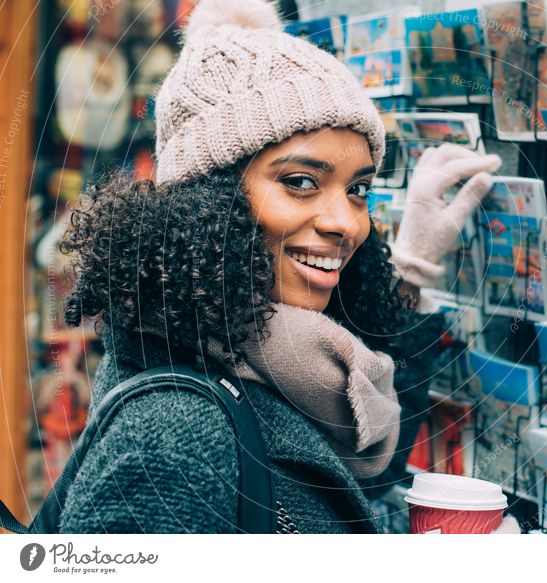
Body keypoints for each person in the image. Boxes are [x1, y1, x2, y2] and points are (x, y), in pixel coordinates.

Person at [57, 0, 518, 534]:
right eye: (300, 181)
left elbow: (358, 470)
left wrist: (410, 272)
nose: (346, 223)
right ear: (208, 199)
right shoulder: (172, 437)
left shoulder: (278, 355)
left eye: (358, 189)